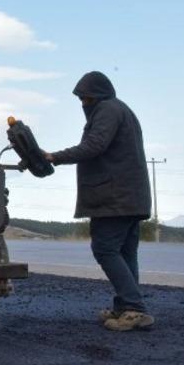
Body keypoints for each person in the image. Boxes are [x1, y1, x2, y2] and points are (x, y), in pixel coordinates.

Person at [44, 71, 154, 331]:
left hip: (114, 198)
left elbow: (95, 145)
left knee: (105, 249)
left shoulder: (107, 110)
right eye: (81, 98)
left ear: (99, 95)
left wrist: (53, 157)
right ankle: (126, 307)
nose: (84, 103)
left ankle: (134, 308)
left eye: (86, 97)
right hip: (130, 197)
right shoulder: (120, 109)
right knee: (125, 252)